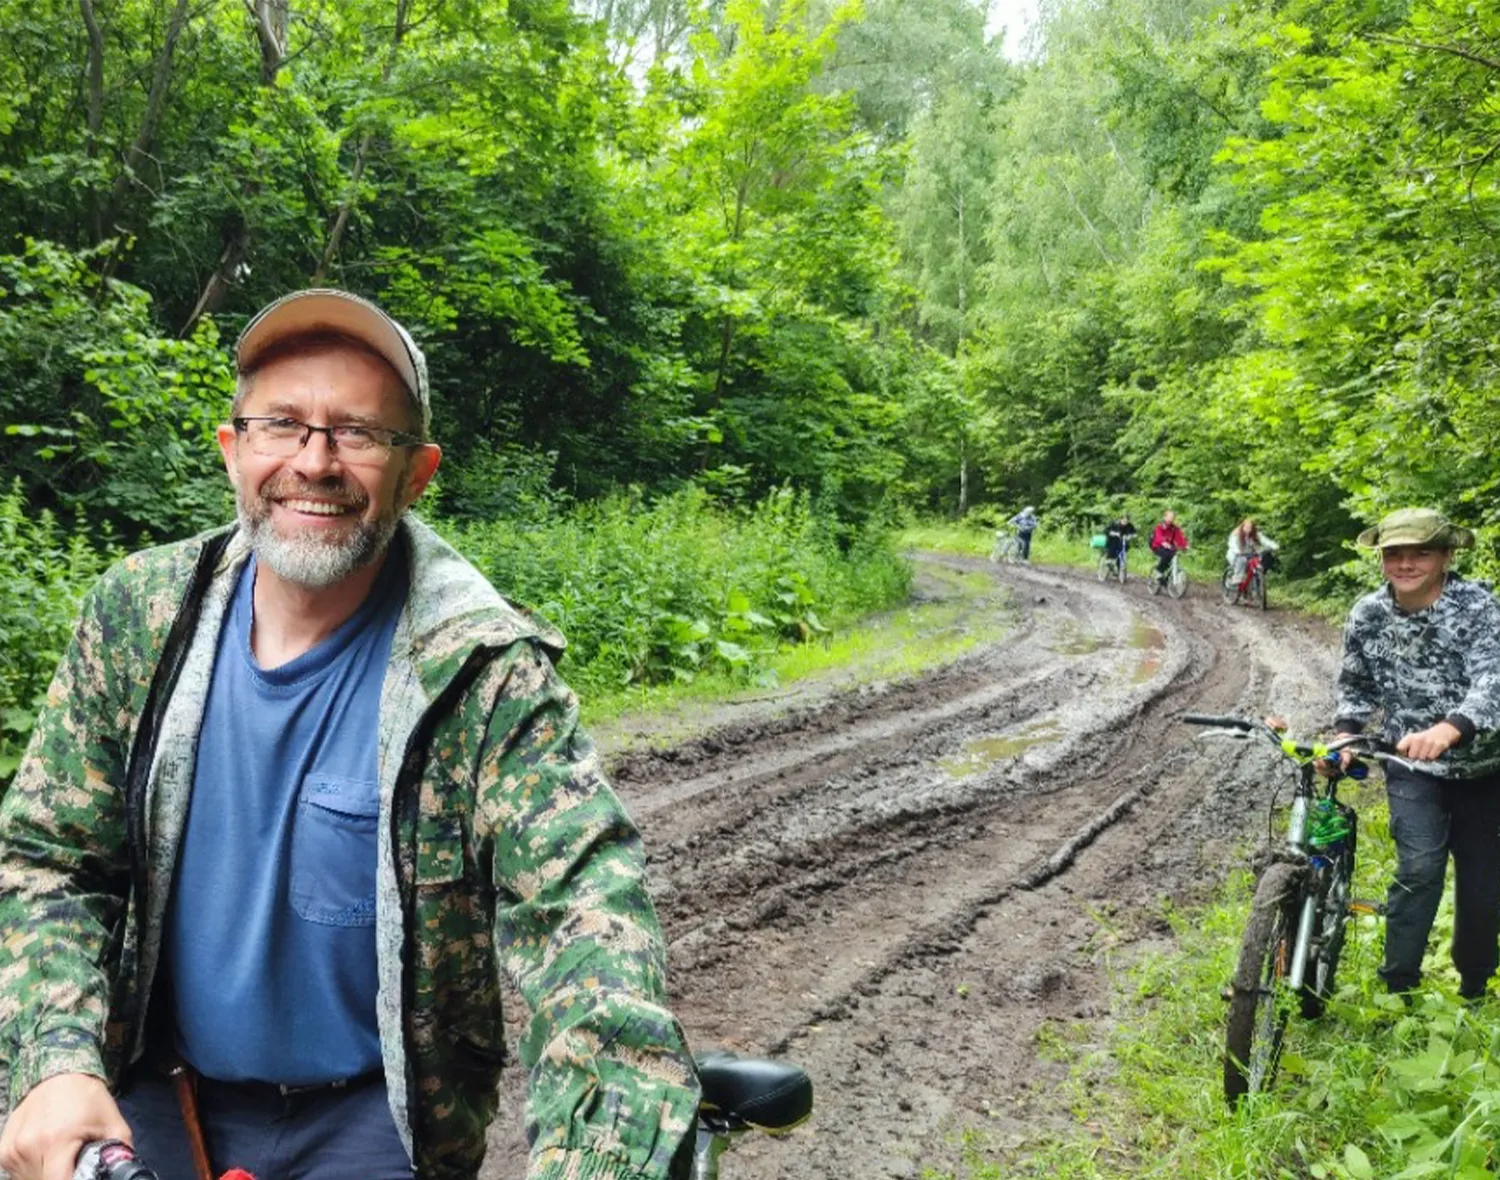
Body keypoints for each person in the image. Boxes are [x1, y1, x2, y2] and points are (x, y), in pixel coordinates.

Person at [0, 289, 700, 1180]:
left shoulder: (482, 674)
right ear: (233, 449)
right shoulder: (138, 618)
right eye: (281, 424)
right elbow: (48, 859)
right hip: (157, 1102)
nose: (315, 461)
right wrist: (54, 1060)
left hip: (377, 1122)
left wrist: (608, 1150)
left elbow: (586, 918)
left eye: (359, 433)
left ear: (418, 473)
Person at [1323, 507, 1500, 1001]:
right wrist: (1345, 735)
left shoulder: (1479, 607)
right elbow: (1355, 686)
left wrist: (1451, 728)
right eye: (1394, 553)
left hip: (1485, 766)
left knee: (1483, 884)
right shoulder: (1368, 614)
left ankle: (1475, 985)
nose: (1405, 564)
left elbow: (1494, 678)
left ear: (1445, 556)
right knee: (1419, 869)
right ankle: (1399, 985)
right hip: (1411, 766)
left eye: (1420, 553)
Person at [1225, 518, 1278, 584]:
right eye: (1247, 527)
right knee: (1242, 560)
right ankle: (1237, 577)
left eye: (1250, 528)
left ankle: (1258, 577)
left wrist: (1274, 546)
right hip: (1236, 555)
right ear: (1242, 527)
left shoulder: (1255, 534)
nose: (1248, 530)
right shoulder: (1236, 534)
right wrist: (1237, 551)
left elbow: (1265, 541)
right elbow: (1232, 544)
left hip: (1249, 554)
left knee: (1264, 557)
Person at [1149, 510, 1189, 581]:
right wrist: (1163, 542)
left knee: (1174, 554)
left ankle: (1168, 573)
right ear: (1164, 517)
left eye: (1172, 518)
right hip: (1157, 546)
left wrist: (1185, 545)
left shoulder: (1175, 528)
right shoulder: (1159, 527)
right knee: (1167, 555)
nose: (1170, 519)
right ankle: (1158, 572)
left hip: (1169, 547)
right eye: (1169, 517)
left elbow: (1180, 538)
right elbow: (1158, 536)